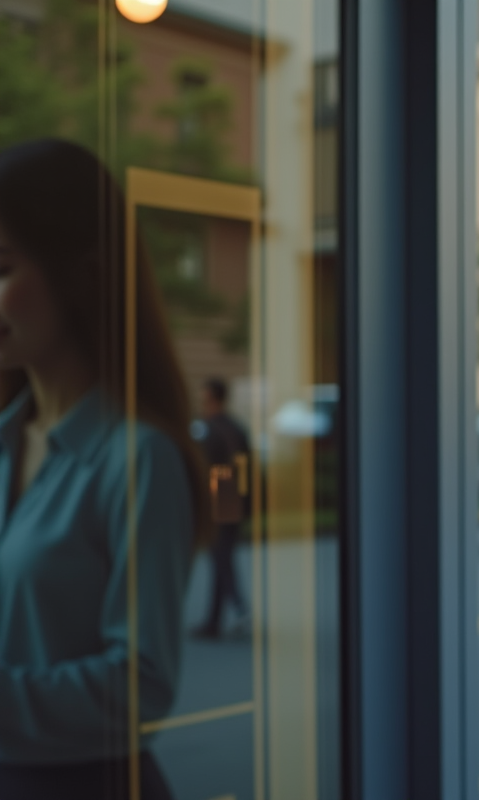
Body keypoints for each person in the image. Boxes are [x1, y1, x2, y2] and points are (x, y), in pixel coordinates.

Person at [0, 139, 208, 800]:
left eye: (0, 266)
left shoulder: (138, 458)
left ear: (80, 274)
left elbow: (142, 684)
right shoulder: (8, 440)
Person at [192, 376, 250, 639]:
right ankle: (214, 622)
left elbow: (201, 467)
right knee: (221, 557)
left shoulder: (206, 428)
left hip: (218, 491)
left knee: (220, 557)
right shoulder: (236, 427)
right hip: (233, 491)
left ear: (210, 397)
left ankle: (238, 608)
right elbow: (245, 466)